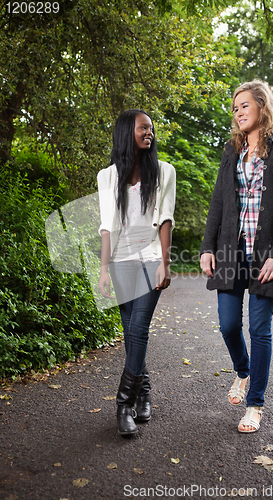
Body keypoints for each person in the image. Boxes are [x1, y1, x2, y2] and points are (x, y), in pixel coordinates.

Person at [200, 80, 273, 433]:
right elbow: (218, 202)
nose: (238, 112)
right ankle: (243, 371)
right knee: (228, 324)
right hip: (231, 251)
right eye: (235, 108)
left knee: (260, 329)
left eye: (244, 105)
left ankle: (255, 404)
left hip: (265, 256)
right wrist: (207, 247)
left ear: (262, 106)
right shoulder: (232, 151)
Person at [97, 109, 176, 436]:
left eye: (151, 129)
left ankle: (123, 404)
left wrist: (165, 263)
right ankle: (144, 394)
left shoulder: (164, 172)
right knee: (131, 333)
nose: (150, 133)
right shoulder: (107, 176)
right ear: (127, 132)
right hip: (120, 262)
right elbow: (106, 226)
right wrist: (103, 268)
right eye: (144, 128)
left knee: (139, 328)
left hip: (149, 258)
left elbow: (166, 218)